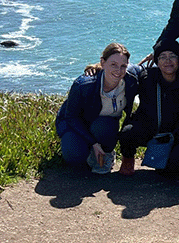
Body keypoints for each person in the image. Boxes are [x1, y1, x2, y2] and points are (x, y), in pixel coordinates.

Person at [55, 43, 138, 172]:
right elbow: (71, 116)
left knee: (105, 125)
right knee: (74, 156)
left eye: (123, 66)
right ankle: (91, 150)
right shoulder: (83, 84)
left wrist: (156, 54)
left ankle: (106, 152)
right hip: (77, 124)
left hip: (104, 126)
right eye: (113, 65)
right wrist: (94, 143)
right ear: (102, 62)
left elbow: (154, 69)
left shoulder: (131, 78)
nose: (118, 70)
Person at [116, 40, 179, 177]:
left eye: (172, 56)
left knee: (169, 174)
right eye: (162, 57)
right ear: (156, 61)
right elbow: (127, 70)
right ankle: (128, 158)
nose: (167, 61)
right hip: (148, 128)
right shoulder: (147, 77)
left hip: (175, 134)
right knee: (127, 133)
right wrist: (98, 68)